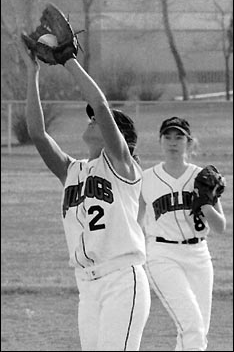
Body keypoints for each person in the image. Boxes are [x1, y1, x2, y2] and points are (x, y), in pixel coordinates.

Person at [19, 40, 151, 351]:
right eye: (89, 117)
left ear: (121, 138)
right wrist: (32, 72)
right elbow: (37, 133)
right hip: (87, 287)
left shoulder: (123, 166)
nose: (92, 119)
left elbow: (102, 107)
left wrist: (69, 62)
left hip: (122, 281)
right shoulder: (71, 170)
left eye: (101, 121)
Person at [138, 117, 226, 351]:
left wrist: (206, 205)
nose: (173, 142)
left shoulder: (203, 177)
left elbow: (220, 227)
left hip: (199, 256)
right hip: (162, 255)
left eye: (179, 137)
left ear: (189, 142)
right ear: (160, 141)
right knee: (192, 326)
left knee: (196, 331)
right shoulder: (146, 178)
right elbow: (136, 222)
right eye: (167, 136)